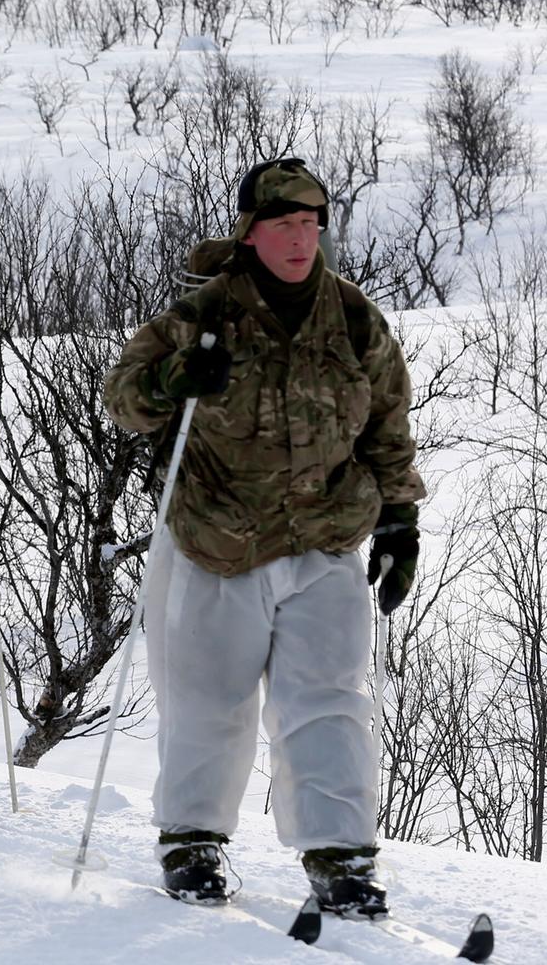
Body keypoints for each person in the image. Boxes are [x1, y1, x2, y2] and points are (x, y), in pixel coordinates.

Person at [104, 158, 424, 916]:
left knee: (329, 702)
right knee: (209, 703)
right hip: (219, 544)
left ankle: (340, 855)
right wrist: (175, 378)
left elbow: (388, 427)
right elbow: (123, 399)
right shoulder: (204, 314)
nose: (299, 238)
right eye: (283, 224)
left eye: (311, 224)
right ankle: (192, 844)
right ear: (250, 233)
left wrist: (401, 521)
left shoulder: (353, 318)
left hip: (324, 541)